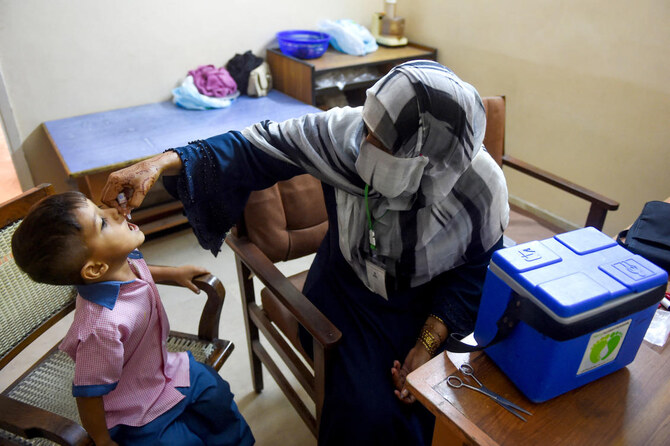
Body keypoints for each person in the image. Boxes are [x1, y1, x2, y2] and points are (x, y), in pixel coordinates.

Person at [100, 60, 509, 445]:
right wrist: (159, 164)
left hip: (431, 302)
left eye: (381, 140)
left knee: (462, 402)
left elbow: (476, 271)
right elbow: (251, 147)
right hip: (350, 294)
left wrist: (427, 343)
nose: (363, 143)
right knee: (369, 416)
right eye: (369, 125)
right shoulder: (343, 134)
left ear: (429, 161)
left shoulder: (478, 191)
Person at [11, 191, 255, 446]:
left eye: (99, 207)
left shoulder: (122, 263)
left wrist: (174, 274)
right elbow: (87, 395)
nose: (114, 211)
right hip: (136, 410)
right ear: (95, 268)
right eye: (102, 222)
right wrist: (102, 440)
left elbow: (140, 272)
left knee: (217, 394)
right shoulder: (101, 329)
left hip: (165, 369)